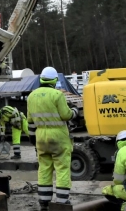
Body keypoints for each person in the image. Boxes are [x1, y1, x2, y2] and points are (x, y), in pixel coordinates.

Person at [27, 66, 75, 209]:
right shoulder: (57, 95)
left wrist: (32, 139)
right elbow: (66, 115)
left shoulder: (31, 96)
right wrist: (75, 112)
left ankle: (44, 203)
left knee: (44, 169)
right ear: (55, 80)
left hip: (41, 137)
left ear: (41, 79)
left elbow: (30, 122)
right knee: (62, 168)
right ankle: (61, 202)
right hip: (58, 137)